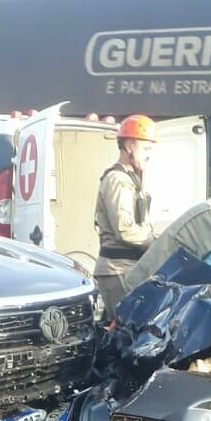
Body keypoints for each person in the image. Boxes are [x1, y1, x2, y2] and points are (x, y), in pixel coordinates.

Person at [93, 115, 157, 315]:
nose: (149, 155)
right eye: (145, 149)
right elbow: (124, 230)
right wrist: (158, 242)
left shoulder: (131, 179)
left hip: (126, 269)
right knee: (125, 334)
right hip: (117, 270)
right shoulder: (118, 180)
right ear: (130, 146)